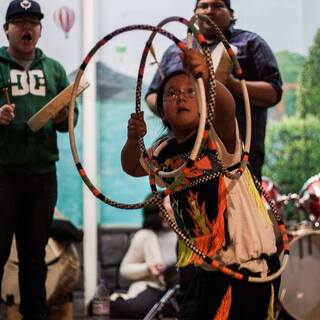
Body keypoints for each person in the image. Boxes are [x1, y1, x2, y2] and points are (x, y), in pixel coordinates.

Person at [122, 48, 279, 319]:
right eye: (171, 93)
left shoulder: (219, 138)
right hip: (206, 270)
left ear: (206, 102)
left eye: (190, 91)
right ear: (161, 111)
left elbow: (227, 109)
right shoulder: (163, 151)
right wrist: (132, 140)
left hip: (246, 268)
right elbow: (133, 166)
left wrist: (206, 78)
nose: (181, 96)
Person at [146, 0, 283, 182]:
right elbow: (153, 94)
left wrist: (230, 83)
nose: (209, 11)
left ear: (231, 13)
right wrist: (171, 106)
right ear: (195, 12)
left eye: (218, 5)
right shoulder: (175, 50)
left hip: (239, 151)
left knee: (241, 207)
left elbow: (273, 92)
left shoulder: (251, 43)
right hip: (183, 156)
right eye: (203, 6)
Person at [0, 1, 78, 319]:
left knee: (35, 255)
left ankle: (36, 314)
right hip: (2, 174)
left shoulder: (55, 69)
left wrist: (63, 116)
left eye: (33, 21)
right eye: (19, 21)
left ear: (41, 30)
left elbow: (66, 124)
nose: (27, 27)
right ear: (7, 29)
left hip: (43, 174)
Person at [89, 195, 178, 319]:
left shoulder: (184, 234)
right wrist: (148, 268)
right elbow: (125, 270)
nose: (176, 202)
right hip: (153, 287)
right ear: (158, 208)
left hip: (177, 289)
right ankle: (99, 304)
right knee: (139, 310)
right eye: (169, 201)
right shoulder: (145, 236)